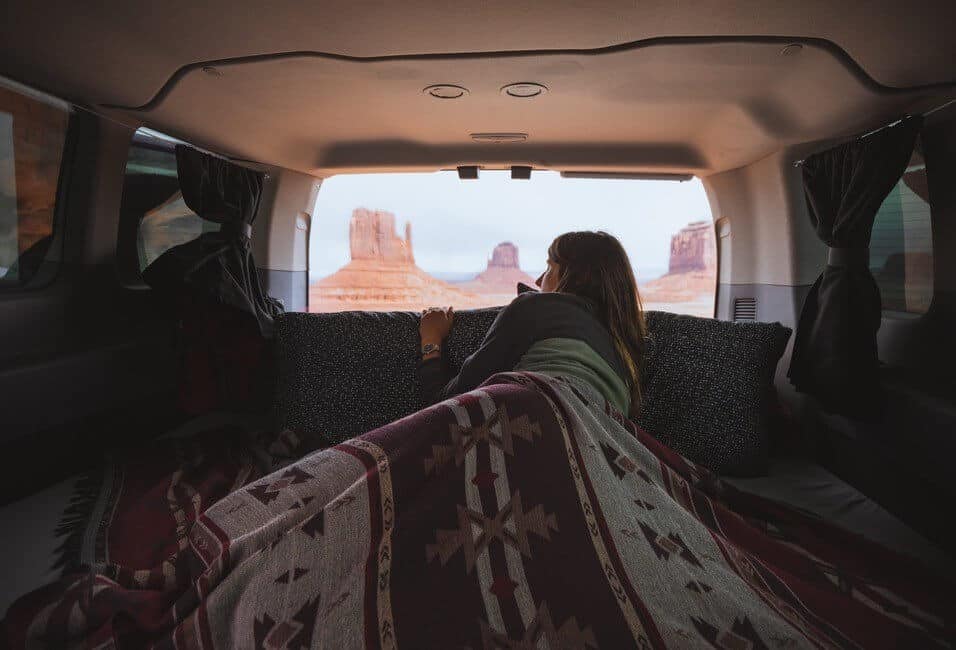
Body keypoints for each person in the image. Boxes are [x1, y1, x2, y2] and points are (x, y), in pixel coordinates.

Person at [418, 230, 648, 418]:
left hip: (531, 417)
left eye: (549, 268)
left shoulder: (534, 307)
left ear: (576, 277)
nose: (538, 281)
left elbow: (446, 405)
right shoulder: (628, 351)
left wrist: (431, 339)